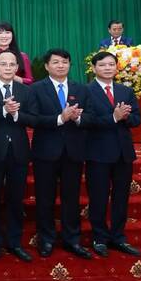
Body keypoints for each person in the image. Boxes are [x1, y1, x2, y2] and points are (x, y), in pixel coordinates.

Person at [30, 48, 92, 259]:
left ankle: (71, 239)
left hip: (73, 151)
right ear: (47, 66)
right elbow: (33, 119)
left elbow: (90, 117)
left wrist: (77, 118)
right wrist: (59, 118)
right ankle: (46, 239)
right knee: (45, 198)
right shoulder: (36, 89)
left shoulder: (81, 89)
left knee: (71, 198)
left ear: (70, 65)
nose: (60, 65)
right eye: (55, 62)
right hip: (46, 152)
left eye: (65, 62)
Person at [0, 50, 36, 262]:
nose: (9, 68)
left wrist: (17, 114)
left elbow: (33, 118)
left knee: (15, 199)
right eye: (4, 64)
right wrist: (3, 111)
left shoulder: (25, 91)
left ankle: (14, 242)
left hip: (19, 151)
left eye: (13, 64)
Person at [85, 51, 141, 257]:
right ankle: (99, 237)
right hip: (97, 153)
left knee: (121, 198)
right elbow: (87, 121)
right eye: (103, 65)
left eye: (111, 64)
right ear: (94, 68)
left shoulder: (125, 91)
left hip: (123, 154)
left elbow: (137, 119)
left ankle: (118, 237)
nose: (108, 68)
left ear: (117, 67)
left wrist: (126, 117)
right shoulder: (86, 91)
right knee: (98, 197)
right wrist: (114, 117)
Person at [0, 21, 34, 85]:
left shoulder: (23, 56)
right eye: (0, 33)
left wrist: (13, 77)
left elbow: (30, 80)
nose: (4, 36)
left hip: (18, 91)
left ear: (12, 35)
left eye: (7, 32)